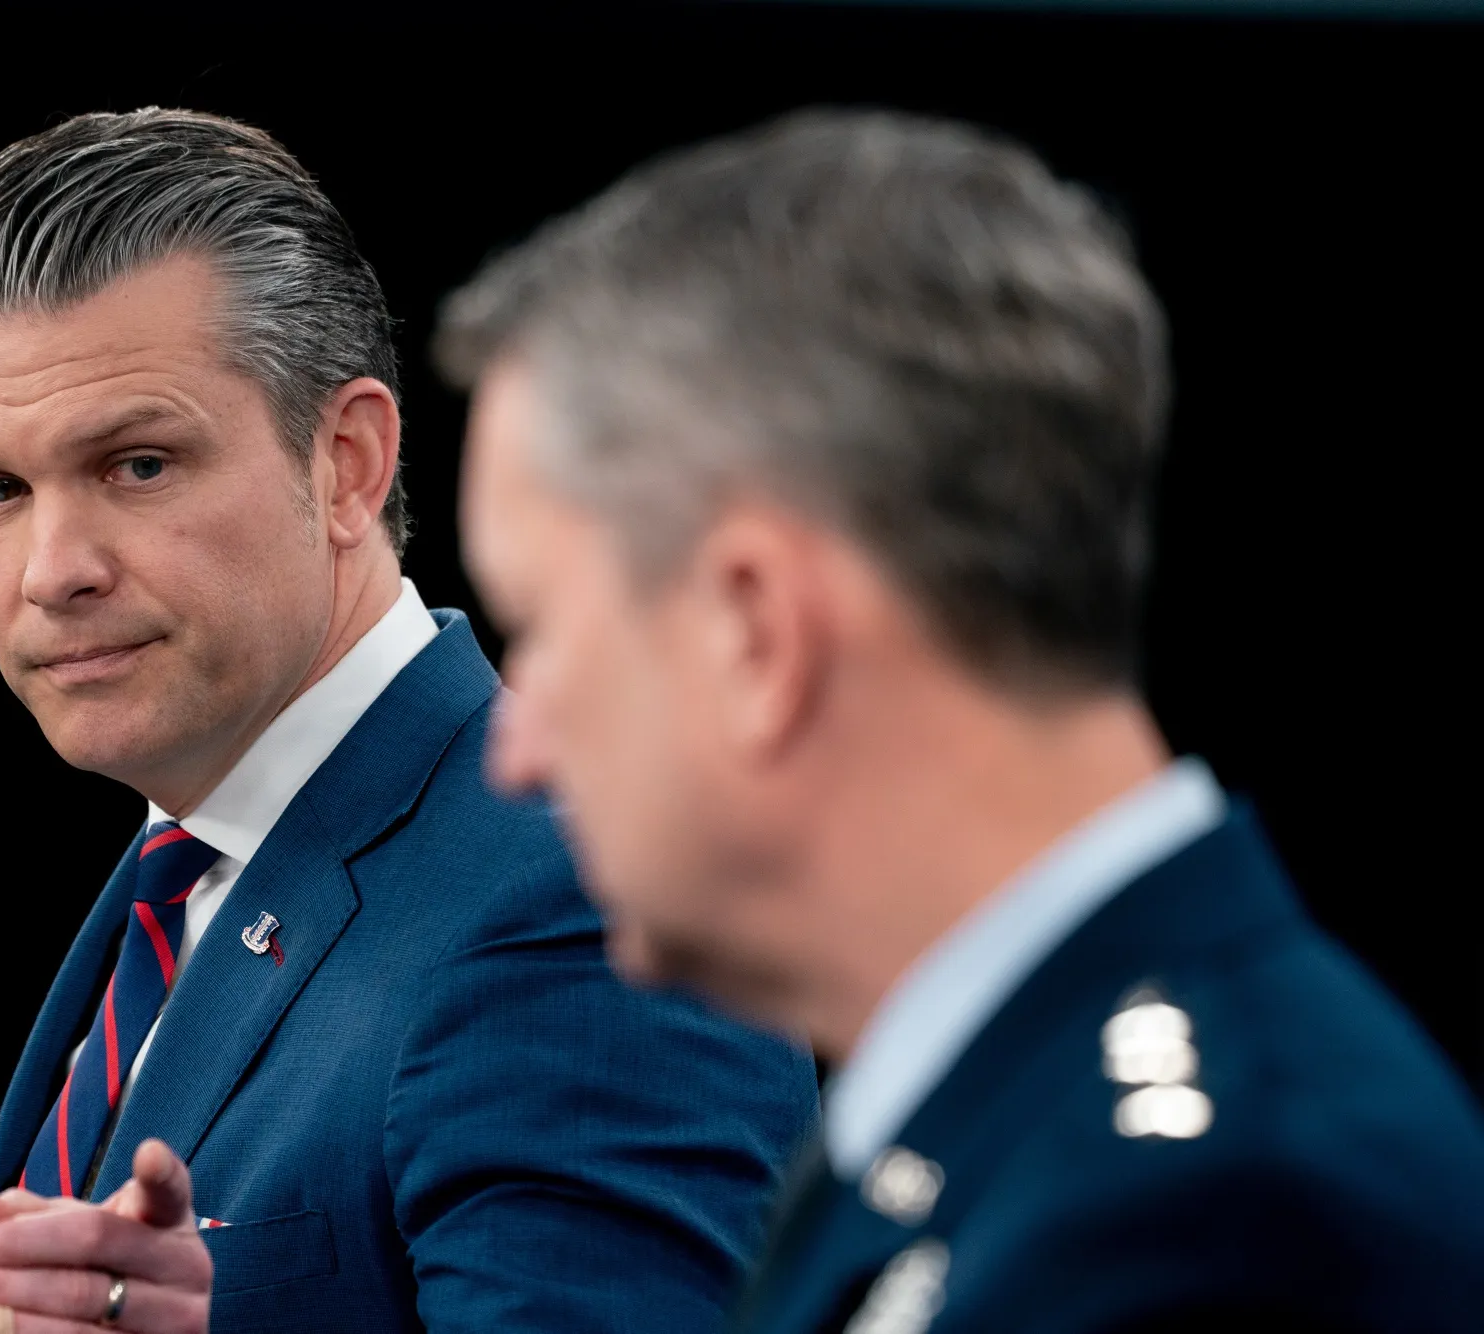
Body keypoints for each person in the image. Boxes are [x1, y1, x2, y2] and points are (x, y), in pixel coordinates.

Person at [438, 109, 1484, 1331]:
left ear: (755, 630)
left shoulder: (1217, 1229)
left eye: (543, 626)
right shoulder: (1012, 1124)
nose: (515, 747)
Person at [0, 107, 815, 1334]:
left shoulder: (582, 899)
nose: (50, 567)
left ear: (346, 463)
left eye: (137, 464)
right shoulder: (181, 871)